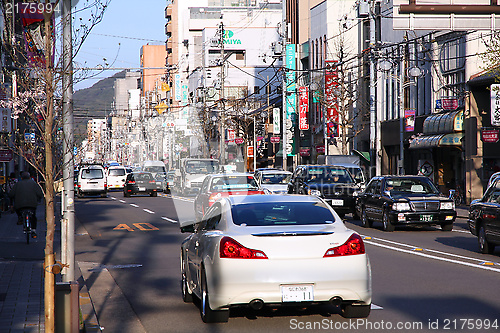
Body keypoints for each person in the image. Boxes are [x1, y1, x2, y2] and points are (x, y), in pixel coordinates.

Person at [9, 171, 43, 238]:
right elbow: (39, 194)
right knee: (33, 216)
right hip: (32, 204)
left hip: (19, 205)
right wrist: (38, 199)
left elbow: (11, 194)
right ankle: (33, 230)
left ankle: (20, 218)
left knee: (18, 210)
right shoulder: (33, 184)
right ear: (30, 177)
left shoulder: (17, 184)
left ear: (21, 178)